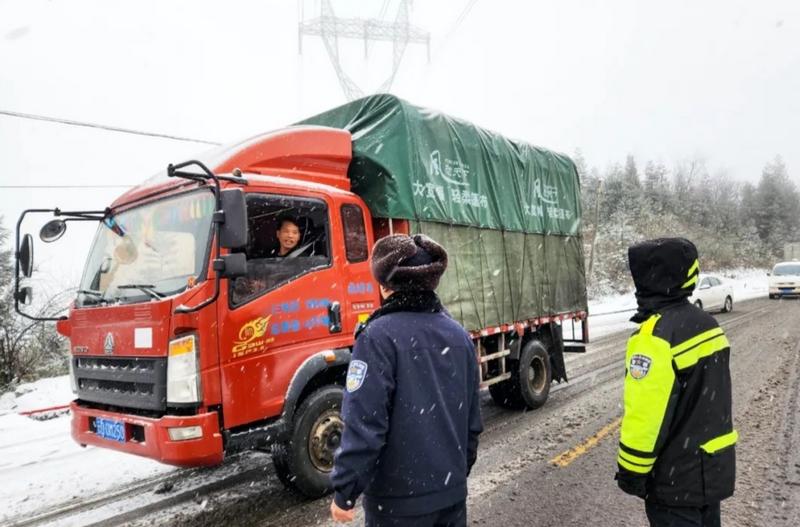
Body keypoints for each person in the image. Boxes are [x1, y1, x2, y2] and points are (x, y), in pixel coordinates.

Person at [329, 233, 483, 527]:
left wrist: (345, 491)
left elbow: (365, 424)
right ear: (431, 281)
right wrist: (455, 474)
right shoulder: (459, 336)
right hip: (451, 497)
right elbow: (472, 421)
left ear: (385, 286)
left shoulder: (376, 337)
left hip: (398, 505)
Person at [616, 238, 736, 527]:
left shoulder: (654, 336)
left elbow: (646, 417)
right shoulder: (708, 325)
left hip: (675, 484)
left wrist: (632, 472)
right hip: (711, 470)